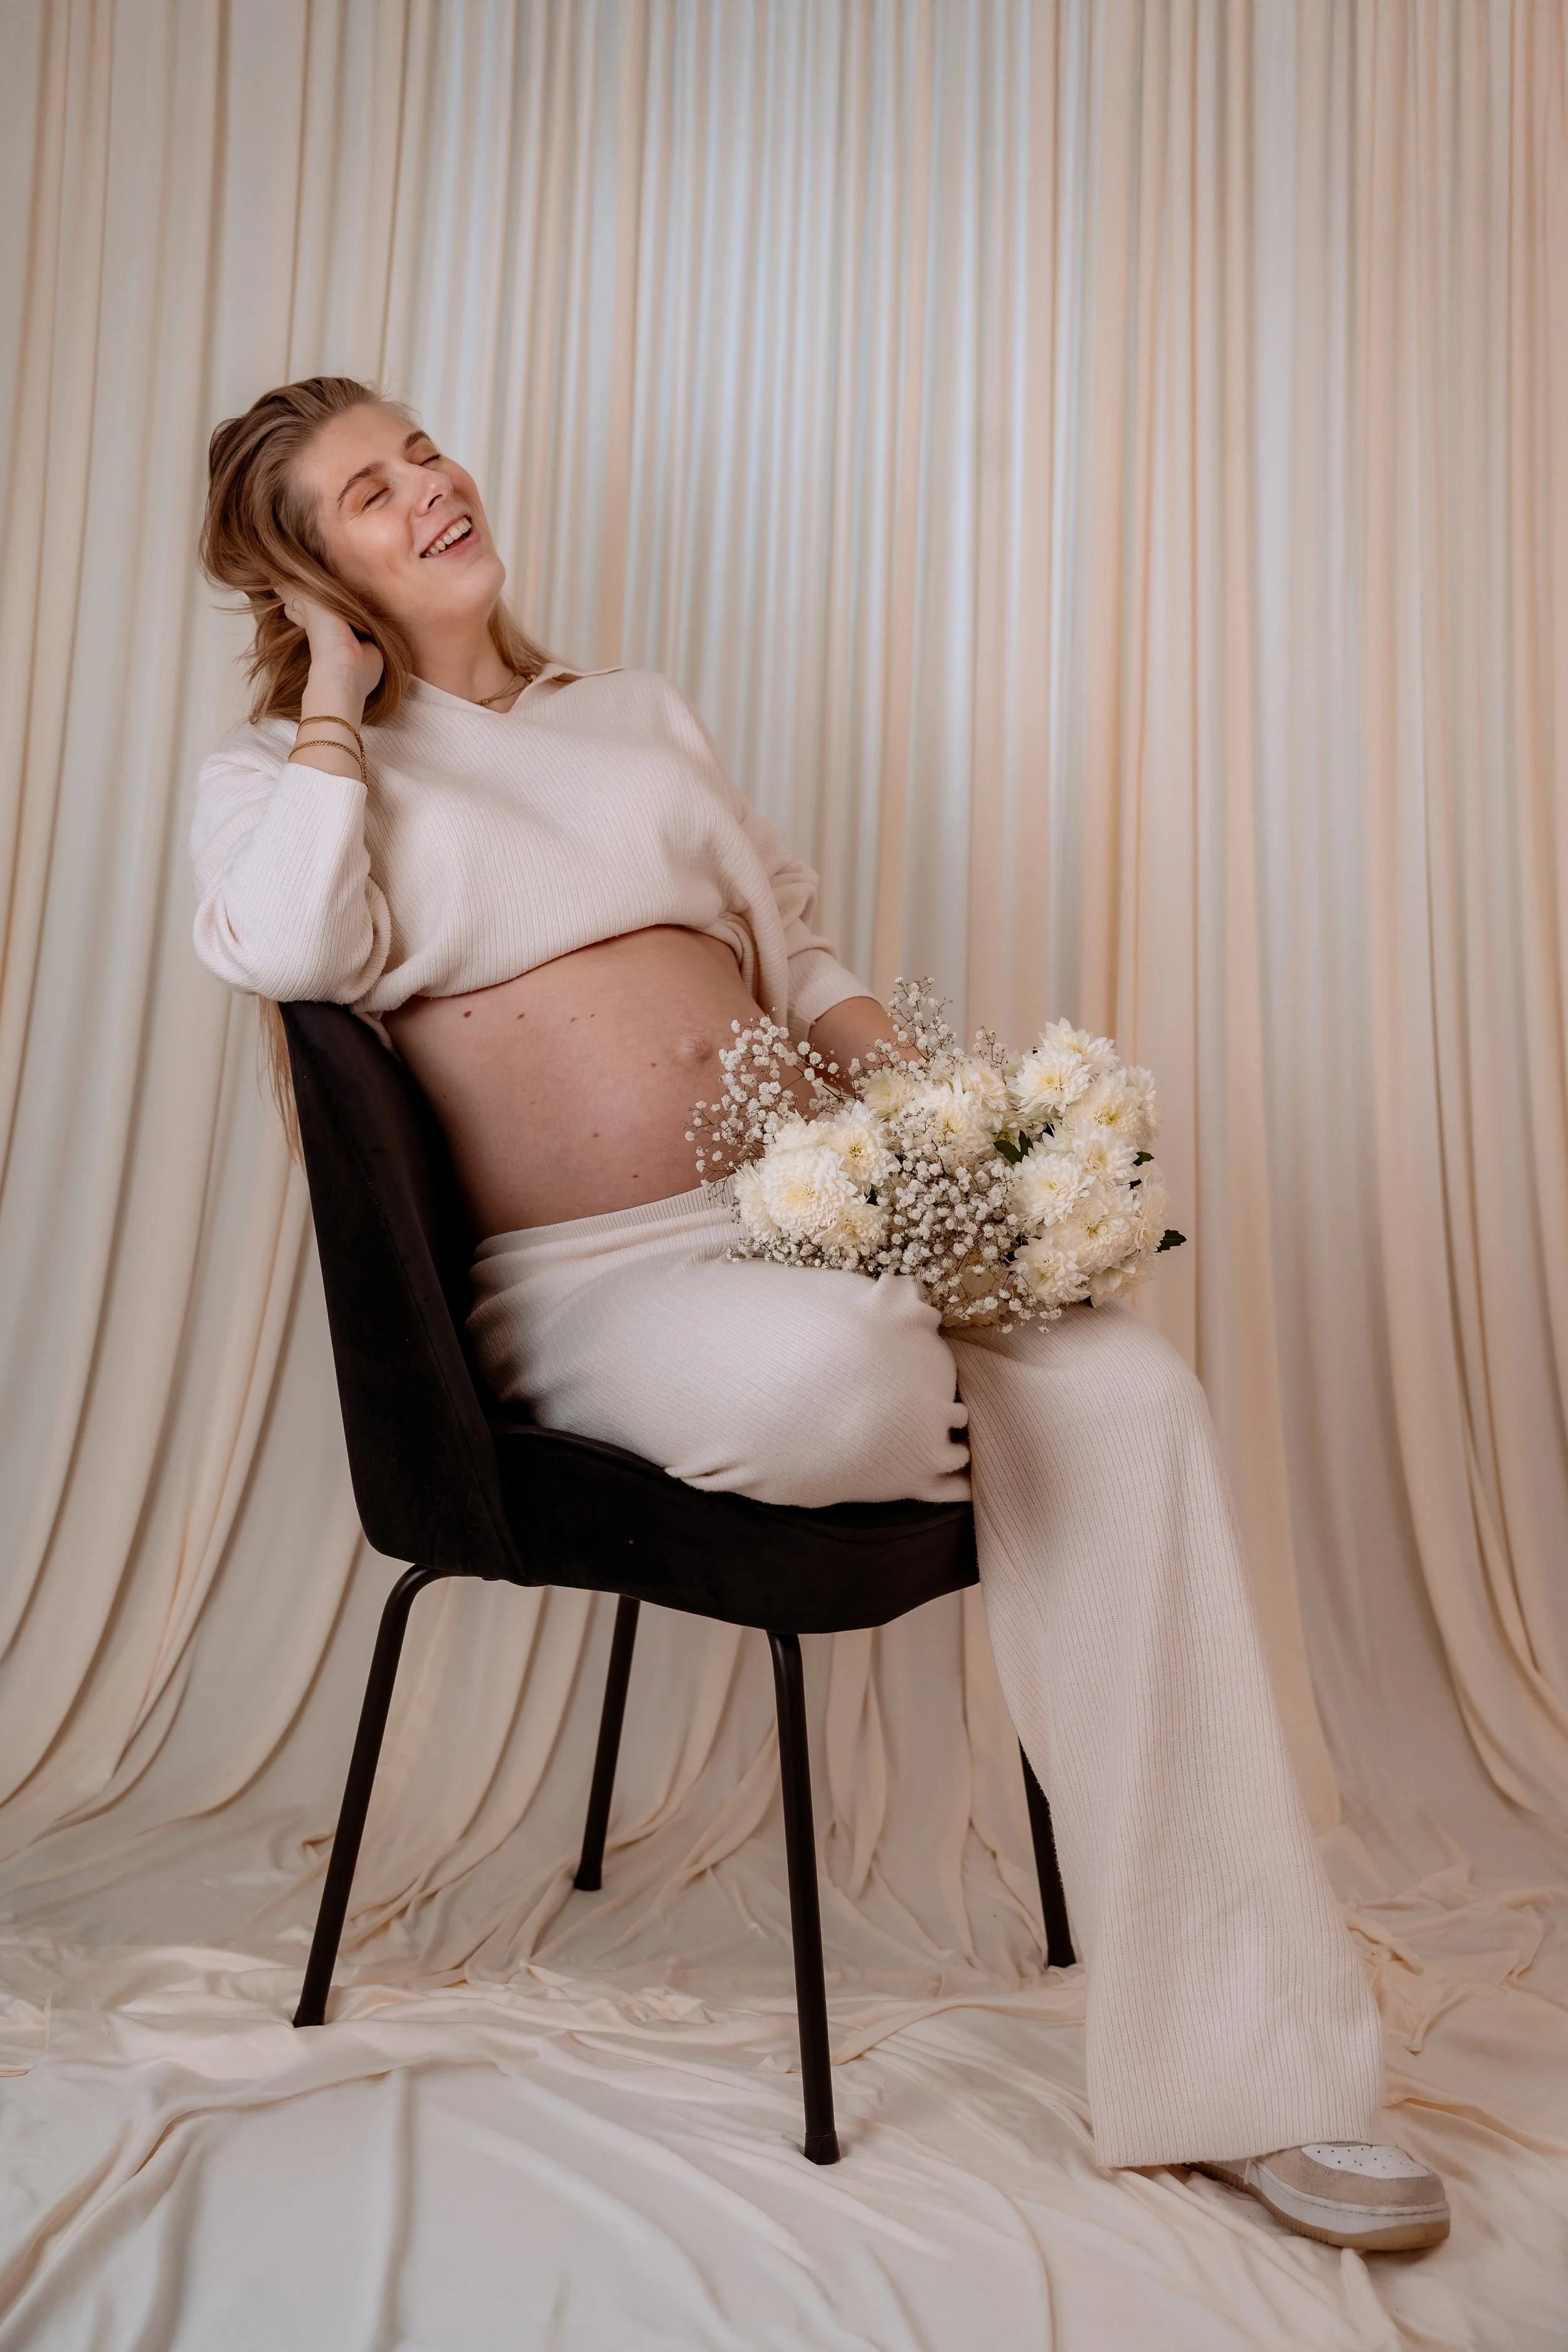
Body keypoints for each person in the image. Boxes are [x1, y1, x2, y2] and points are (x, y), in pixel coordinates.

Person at [189, 376, 1448, 2253]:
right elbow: (288, 955)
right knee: (852, 1376)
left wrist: (978, 1143)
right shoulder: (303, 781)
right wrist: (331, 708)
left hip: (830, 1214)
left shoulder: (631, 715)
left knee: (1131, 1397)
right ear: (307, 573)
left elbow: (796, 948)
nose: (430, 487)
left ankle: (1253, 2074)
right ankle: (942, 1384)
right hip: (597, 1291)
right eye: (366, 494)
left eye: (422, 447)